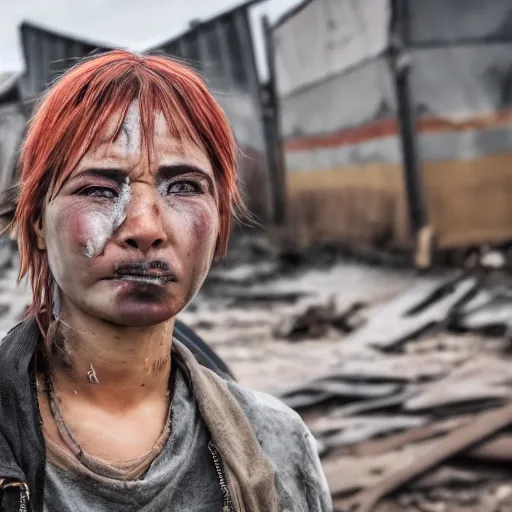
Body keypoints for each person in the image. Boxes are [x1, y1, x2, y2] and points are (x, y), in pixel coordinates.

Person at [0, 50, 332, 511]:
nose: (145, 228)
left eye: (184, 187)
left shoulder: (275, 445)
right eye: (98, 189)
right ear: (36, 221)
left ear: (219, 221)